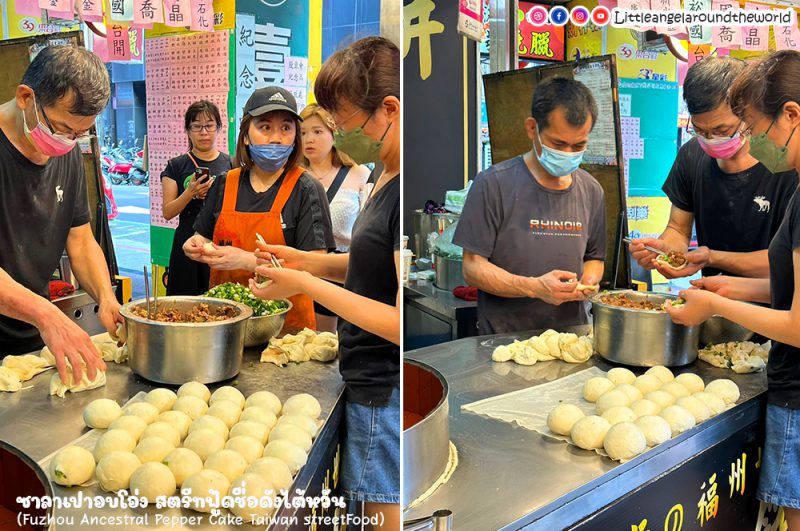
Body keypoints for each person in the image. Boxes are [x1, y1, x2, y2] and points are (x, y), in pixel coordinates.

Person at [249, 37, 400, 527]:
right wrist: (304, 262)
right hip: (362, 374)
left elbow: (398, 323)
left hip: (384, 384)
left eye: (344, 125)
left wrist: (303, 284)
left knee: (380, 517)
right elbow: (368, 264)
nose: (336, 135)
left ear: (389, 110)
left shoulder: (400, 183)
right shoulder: (385, 171)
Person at [666, 50, 800, 529]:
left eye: (745, 128)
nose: (716, 141)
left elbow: (794, 313)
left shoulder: (789, 174)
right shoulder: (692, 161)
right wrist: (727, 285)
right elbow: (786, 283)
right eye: (703, 131)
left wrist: (718, 293)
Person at [0, 46, 118, 385]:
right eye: (62, 128)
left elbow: (80, 241)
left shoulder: (65, 152)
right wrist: (47, 314)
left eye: (81, 134)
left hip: (31, 343)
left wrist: (106, 297)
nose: (68, 142)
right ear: (25, 97)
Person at [453, 77, 607, 334]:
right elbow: (472, 268)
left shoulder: (591, 190)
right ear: (532, 128)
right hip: (505, 340)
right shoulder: (493, 184)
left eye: (579, 145)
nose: (568, 153)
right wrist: (534, 287)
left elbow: (594, 257)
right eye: (558, 144)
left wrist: (589, 281)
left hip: (572, 338)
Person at [629, 57, 797, 280]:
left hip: (775, 307)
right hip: (711, 302)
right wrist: (664, 252)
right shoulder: (691, 155)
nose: (711, 139)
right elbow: (678, 229)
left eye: (722, 129)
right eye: (700, 130)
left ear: (748, 113)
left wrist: (711, 258)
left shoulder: (785, 163)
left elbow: (785, 263)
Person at [183, 86, 334, 333]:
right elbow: (203, 235)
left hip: (286, 333)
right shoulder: (224, 183)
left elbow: (315, 267)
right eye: (265, 127)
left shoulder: (306, 189)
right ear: (245, 135)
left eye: (286, 128)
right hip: (224, 325)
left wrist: (247, 260)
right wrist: (195, 244)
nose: (276, 138)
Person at [299, 103, 370, 332]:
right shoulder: (293, 177)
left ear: (334, 134)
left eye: (317, 131)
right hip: (304, 272)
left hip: (348, 273)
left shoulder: (360, 174)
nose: (309, 139)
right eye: (302, 132)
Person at [162, 101, 233, 295]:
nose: (204, 132)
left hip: (220, 240)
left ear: (218, 128)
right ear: (188, 130)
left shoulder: (231, 164)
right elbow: (168, 212)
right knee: (184, 299)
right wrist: (190, 192)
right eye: (196, 126)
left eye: (209, 125)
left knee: (220, 300)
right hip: (187, 242)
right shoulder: (175, 166)